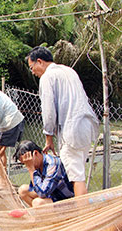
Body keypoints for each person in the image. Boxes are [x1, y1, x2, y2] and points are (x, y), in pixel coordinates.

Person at [26, 46, 99, 196]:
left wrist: (48, 139)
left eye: (32, 67)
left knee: (77, 177)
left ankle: (82, 217)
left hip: (71, 131)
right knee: (77, 171)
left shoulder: (47, 77)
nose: (32, 72)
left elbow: (48, 111)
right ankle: (78, 209)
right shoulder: (69, 71)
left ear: (39, 62)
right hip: (87, 127)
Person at [15, 140, 74, 207]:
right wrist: (32, 168)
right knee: (23, 191)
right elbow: (35, 188)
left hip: (66, 201)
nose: (27, 165)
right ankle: (39, 215)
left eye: (28, 162)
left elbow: (42, 193)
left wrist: (31, 169)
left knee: (38, 203)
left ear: (36, 153)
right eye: (25, 163)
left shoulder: (52, 164)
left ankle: (51, 216)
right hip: (52, 196)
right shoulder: (38, 165)